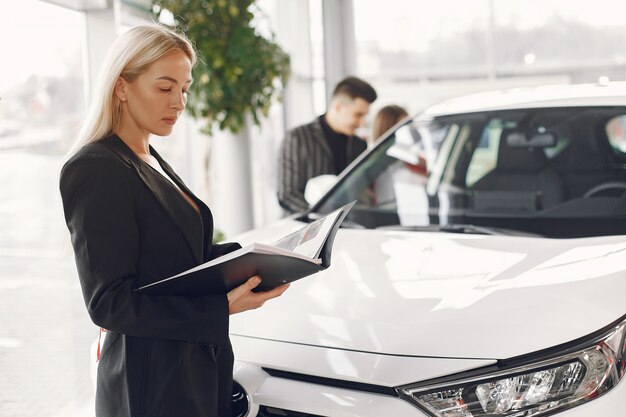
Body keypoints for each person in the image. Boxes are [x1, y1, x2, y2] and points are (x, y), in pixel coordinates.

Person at [59, 25, 288, 417]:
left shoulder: (149, 157)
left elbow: (176, 257)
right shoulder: (96, 168)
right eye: (165, 88)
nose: (179, 102)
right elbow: (109, 303)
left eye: (184, 88)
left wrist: (257, 258)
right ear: (122, 87)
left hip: (190, 371)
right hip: (150, 384)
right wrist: (221, 309)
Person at [277, 76, 377, 213]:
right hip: (307, 230)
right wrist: (322, 220)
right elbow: (287, 195)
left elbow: (359, 193)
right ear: (337, 107)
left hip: (351, 229)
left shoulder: (359, 145)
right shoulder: (298, 138)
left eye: (364, 116)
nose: (362, 123)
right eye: (358, 115)